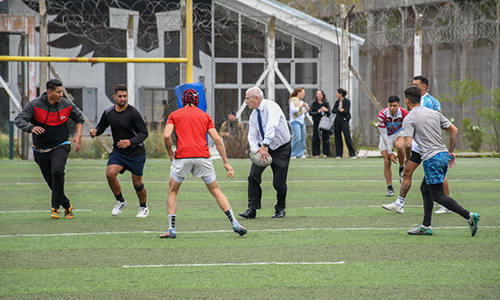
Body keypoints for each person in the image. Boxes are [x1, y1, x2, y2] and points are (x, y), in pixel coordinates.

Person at [160, 88, 247, 238]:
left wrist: (170, 152)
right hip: (202, 157)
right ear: (197, 101)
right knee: (215, 190)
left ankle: (171, 229)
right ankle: (234, 222)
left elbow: (167, 135)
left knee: (172, 191)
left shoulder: (174, 115)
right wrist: (225, 162)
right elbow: (218, 139)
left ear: (183, 101)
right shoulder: (205, 116)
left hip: (182, 157)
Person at [402, 86, 479, 236]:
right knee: (425, 189)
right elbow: (454, 130)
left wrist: (407, 157)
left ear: (407, 100)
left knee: (438, 195)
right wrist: (451, 151)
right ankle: (426, 225)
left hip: (431, 158)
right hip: (442, 154)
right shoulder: (433, 113)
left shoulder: (409, 118)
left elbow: (407, 144)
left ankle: (469, 216)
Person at [14, 79, 84, 219]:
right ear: (49, 92)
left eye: (61, 92)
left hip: (61, 145)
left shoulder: (67, 104)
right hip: (40, 150)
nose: (61, 95)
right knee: (51, 180)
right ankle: (67, 205)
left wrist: (78, 136)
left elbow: (79, 119)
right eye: (58, 92)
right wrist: (31, 128)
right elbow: (19, 120)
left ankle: (55, 207)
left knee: (57, 171)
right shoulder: (35, 105)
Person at [382, 75, 451, 214]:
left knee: (436, 176)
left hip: (428, 147)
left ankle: (447, 204)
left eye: (415, 84)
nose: (413, 86)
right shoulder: (413, 101)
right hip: (417, 145)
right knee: (407, 171)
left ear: (423, 86)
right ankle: (399, 203)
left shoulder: (431, 102)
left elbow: (438, 121)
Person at [90, 84, 149, 218]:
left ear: (127, 96)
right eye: (120, 96)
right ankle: (120, 200)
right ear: (114, 97)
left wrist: (130, 141)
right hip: (119, 153)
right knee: (110, 174)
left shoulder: (133, 113)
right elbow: (101, 126)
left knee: (137, 183)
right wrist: (95, 131)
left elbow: (144, 133)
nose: (122, 99)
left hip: (136, 153)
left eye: (124, 96)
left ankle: (143, 207)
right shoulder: (109, 112)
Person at [239, 87, 291, 219]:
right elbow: (252, 136)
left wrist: (265, 144)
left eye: (247, 98)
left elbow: (271, 126)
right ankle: (252, 210)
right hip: (263, 149)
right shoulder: (254, 115)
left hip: (281, 148)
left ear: (257, 98)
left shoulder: (272, 107)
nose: (246, 101)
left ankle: (280, 209)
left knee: (279, 183)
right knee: (253, 176)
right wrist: (255, 150)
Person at [377, 96, 408, 197]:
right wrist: (390, 153)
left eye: (394, 106)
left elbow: (408, 129)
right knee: (387, 161)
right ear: (388, 105)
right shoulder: (382, 115)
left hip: (398, 133)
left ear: (398, 105)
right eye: (390, 106)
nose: (392, 108)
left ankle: (401, 168)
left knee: (399, 146)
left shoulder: (404, 113)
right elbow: (384, 134)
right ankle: (390, 188)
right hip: (386, 135)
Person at [332, 88, 356, 159]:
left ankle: (352, 154)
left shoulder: (347, 101)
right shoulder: (337, 102)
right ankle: (339, 154)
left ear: (340, 94)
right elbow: (333, 110)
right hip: (337, 121)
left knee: (347, 136)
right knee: (337, 137)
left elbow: (346, 111)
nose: (336, 94)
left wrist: (339, 111)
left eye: (337, 93)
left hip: (344, 121)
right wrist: (339, 110)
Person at [309, 90, 331, 158]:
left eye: (320, 94)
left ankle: (325, 153)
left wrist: (326, 110)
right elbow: (310, 112)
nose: (318, 96)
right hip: (316, 121)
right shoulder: (314, 103)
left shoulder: (326, 103)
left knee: (325, 137)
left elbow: (329, 112)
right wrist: (317, 112)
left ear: (323, 95)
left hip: (324, 122)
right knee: (316, 137)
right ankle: (316, 153)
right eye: (317, 94)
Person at [288, 87, 309, 159]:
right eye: (303, 92)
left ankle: (300, 154)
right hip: (295, 121)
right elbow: (293, 111)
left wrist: (306, 110)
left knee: (302, 138)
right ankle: (291, 154)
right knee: (297, 137)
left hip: (302, 121)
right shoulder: (293, 101)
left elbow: (302, 114)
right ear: (299, 93)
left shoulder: (301, 102)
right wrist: (301, 107)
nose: (304, 94)